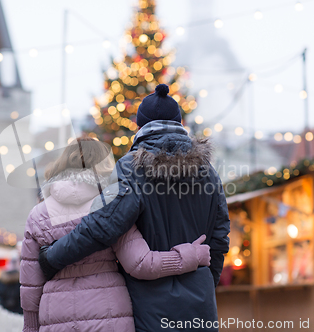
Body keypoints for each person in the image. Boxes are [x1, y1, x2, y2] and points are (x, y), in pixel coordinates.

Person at [39, 84, 231, 332]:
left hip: (150, 311)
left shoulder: (132, 168)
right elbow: (219, 238)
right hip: (200, 310)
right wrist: (204, 283)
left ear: (139, 127)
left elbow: (103, 225)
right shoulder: (209, 173)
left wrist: (52, 258)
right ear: (180, 123)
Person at [20, 136, 212, 332]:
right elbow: (142, 263)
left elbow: (30, 285)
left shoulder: (38, 215)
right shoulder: (111, 207)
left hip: (55, 315)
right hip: (108, 314)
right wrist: (191, 256)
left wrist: (31, 327)